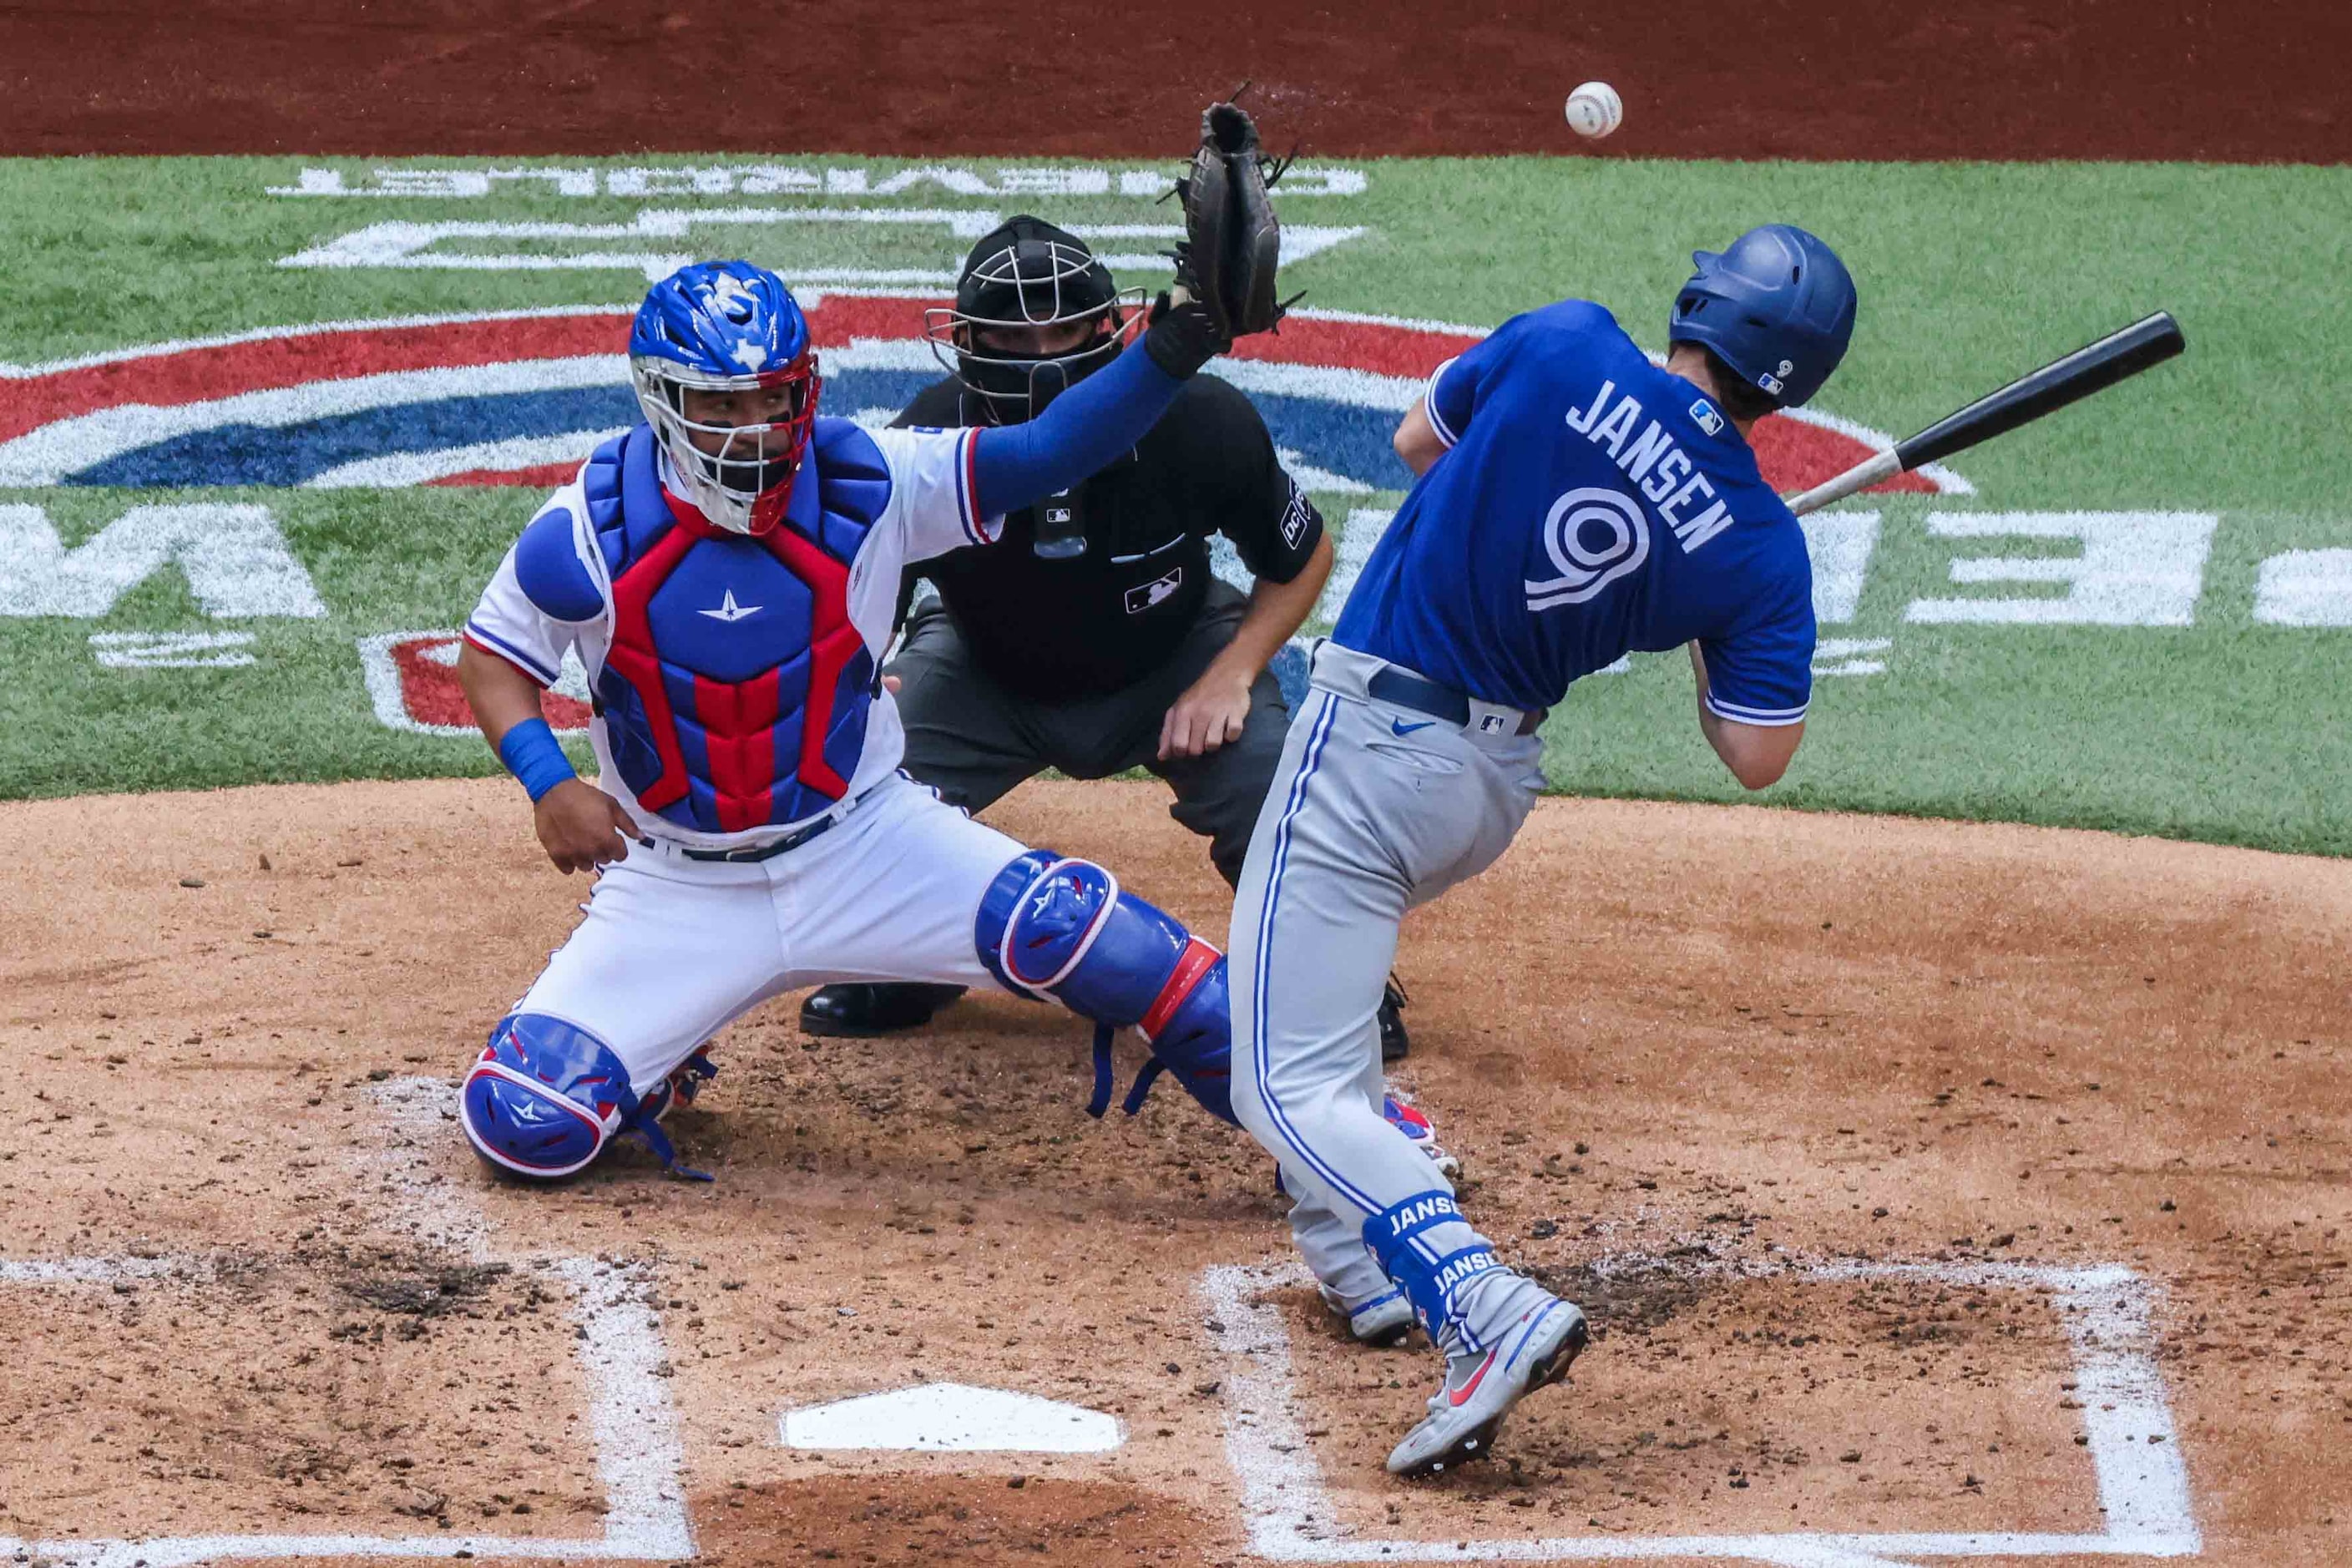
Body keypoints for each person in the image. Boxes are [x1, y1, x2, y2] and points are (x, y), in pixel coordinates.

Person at [1224, 225, 1858, 1474]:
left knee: (1276, 1079)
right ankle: (1369, 1263)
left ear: (1699, 300)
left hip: (1368, 749)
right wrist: (1695, 603)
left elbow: (1417, 446)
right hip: (1484, 789)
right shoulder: (1760, 547)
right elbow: (1754, 751)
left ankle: (1485, 1300)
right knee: (1326, 1012)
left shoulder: (1566, 339)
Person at [449, 246, 1260, 1183]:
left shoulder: (871, 480)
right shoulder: (593, 519)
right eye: (720, 406)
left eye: (774, 398)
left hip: (869, 846)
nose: (754, 430)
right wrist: (549, 783)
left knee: (1113, 949)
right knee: (527, 1125)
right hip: (678, 885)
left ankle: (1343, 1136)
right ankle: (655, 1059)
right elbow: (493, 659)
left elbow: (1046, 452)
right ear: (662, 400)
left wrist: (1176, 346)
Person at [798, 217, 1414, 1065]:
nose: (1041, 358)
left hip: (1175, 656)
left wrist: (1234, 672)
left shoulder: (1200, 420)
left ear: (1107, 331)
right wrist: (861, 689)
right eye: (1014, 337)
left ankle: (1331, 982)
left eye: (1061, 330)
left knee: (1278, 784)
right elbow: (857, 597)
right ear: (968, 340)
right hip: (984, 669)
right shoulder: (930, 437)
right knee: (854, 778)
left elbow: (1304, 557)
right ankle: (909, 961)